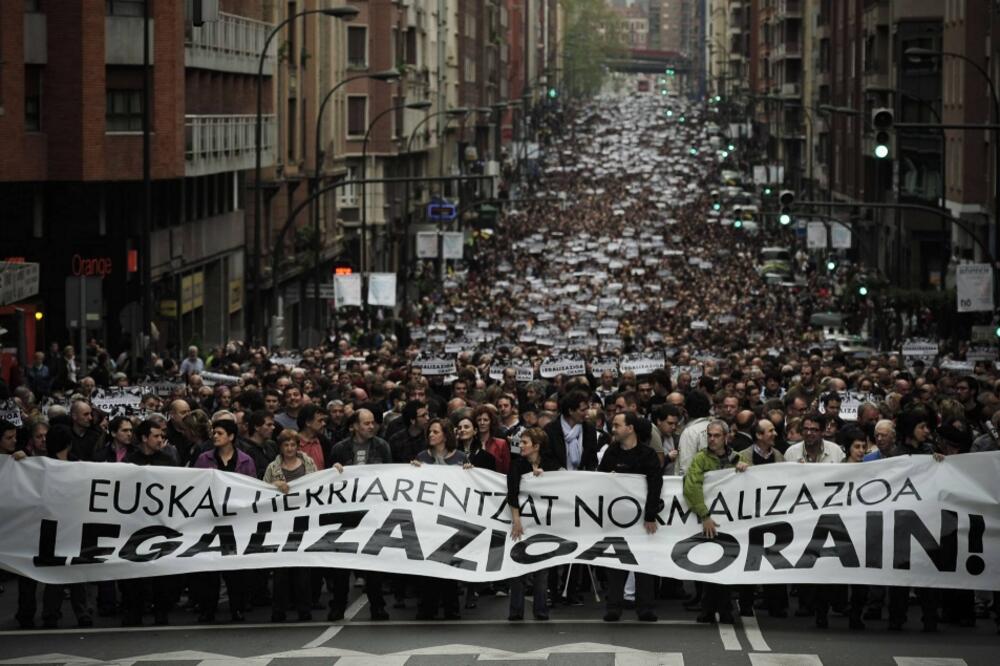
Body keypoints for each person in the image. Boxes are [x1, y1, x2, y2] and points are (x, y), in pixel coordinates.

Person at [326, 408, 392, 621]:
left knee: (373, 562)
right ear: (353, 426)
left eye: (373, 422)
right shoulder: (339, 449)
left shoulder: (382, 447)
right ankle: (338, 606)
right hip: (346, 513)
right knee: (342, 565)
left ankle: (377, 606)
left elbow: (391, 476)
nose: (371, 426)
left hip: (373, 513)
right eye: (366, 423)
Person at [598, 412, 662, 623]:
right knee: (616, 562)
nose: (613, 429)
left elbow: (655, 485)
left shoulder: (648, 454)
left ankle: (645, 608)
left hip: (643, 520)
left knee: (644, 562)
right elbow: (597, 481)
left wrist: (650, 515)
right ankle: (614, 607)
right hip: (616, 520)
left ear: (630, 428)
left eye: (617, 425)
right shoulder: (611, 454)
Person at [193, 420, 256, 623]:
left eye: (220, 433)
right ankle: (207, 610)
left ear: (231, 436)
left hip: (234, 524)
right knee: (208, 569)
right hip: (210, 522)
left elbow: (252, 489)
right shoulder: (204, 459)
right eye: (213, 433)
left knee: (233, 570)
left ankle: (237, 608)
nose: (215, 436)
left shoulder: (245, 461)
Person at [683, 420, 747, 624]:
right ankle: (707, 609)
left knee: (728, 564)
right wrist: (705, 516)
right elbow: (691, 487)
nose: (712, 439)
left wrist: (746, 469)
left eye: (716, 435)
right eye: (709, 435)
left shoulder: (737, 458)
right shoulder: (700, 459)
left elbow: (751, 484)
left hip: (731, 521)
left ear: (726, 437)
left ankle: (725, 608)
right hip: (708, 519)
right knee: (708, 563)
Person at [120, 418, 177, 626]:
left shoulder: (168, 461)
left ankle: (161, 611)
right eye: (156, 436)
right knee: (133, 569)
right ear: (144, 438)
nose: (161, 439)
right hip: (135, 523)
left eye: (162, 436)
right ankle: (133, 611)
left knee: (160, 570)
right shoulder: (129, 463)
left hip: (161, 523)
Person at [411, 418, 469, 620]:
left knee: (448, 565)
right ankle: (427, 607)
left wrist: (470, 474)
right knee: (426, 566)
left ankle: (451, 608)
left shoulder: (461, 458)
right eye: (430, 432)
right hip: (427, 521)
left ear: (446, 435)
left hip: (451, 520)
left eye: (435, 432)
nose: (431, 435)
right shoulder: (421, 458)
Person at [40, 424, 93, 629]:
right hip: (67, 524)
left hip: (55, 525)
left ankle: (53, 613)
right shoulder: (73, 466)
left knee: (60, 570)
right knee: (70, 569)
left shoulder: (44, 465)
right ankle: (77, 612)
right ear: (69, 443)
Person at [263, 429, 317, 623]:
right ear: (280, 447)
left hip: (303, 520)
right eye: (286, 445)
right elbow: (263, 491)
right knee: (281, 570)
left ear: (297, 446)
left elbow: (319, 484)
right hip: (281, 523)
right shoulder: (272, 468)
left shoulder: (308, 463)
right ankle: (279, 610)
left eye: (293, 444)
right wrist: (275, 485)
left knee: (303, 570)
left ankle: (304, 609)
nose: (289, 448)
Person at [736, 419, 787, 618]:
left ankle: (775, 604)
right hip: (750, 518)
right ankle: (746, 604)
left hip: (773, 516)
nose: (774, 434)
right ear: (759, 435)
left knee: (774, 560)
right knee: (751, 560)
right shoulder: (743, 457)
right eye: (770, 431)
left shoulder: (778, 456)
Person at [506, 427, 559, 621]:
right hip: (523, 522)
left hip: (544, 523)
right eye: (520, 442)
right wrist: (516, 520)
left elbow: (563, 488)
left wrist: (546, 478)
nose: (520, 446)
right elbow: (512, 493)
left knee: (542, 567)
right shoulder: (517, 465)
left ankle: (541, 609)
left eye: (524, 443)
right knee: (518, 566)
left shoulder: (552, 465)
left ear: (536, 446)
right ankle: (516, 611)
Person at [473, 404, 512, 473]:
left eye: (485, 420)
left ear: (491, 422)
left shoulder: (501, 444)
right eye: (479, 420)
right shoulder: (471, 443)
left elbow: (506, 469)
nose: (482, 423)